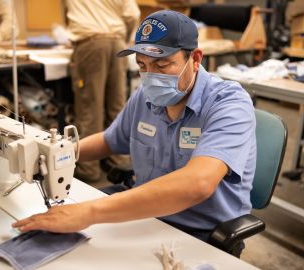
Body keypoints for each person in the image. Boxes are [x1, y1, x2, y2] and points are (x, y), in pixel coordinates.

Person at [13, 10, 256, 242]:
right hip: (146, 217)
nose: (151, 76)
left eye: (162, 66)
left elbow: (198, 183)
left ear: (194, 59)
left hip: (200, 233)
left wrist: (89, 212)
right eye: (142, 65)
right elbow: (109, 141)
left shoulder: (229, 104)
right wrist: (55, 151)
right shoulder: (146, 97)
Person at [65, 0, 140, 181]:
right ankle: (120, 164)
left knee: (90, 109)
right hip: (118, 44)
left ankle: (88, 170)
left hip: (91, 43)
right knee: (118, 107)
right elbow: (133, 15)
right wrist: (127, 37)